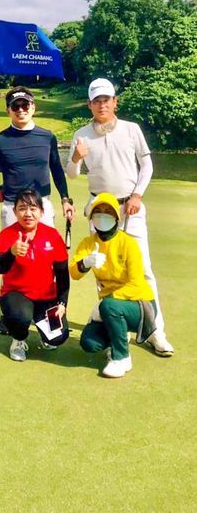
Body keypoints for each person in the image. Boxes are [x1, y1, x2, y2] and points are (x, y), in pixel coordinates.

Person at [66, 77, 173, 357]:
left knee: (144, 271)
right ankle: (113, 328)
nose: (102, 105)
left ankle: (155, 330)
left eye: (106, 100)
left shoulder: (131, 129)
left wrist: (138, 194)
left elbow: (146, 164)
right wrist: (76, 157)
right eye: (96, 101)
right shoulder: (82, 134)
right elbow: (72, 173)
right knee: (103, 271)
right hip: (100, 211)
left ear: (115, 102)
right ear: (89, 104)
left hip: (130, 207)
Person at [0, 85, 74, 334]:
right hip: (13, 208)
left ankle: (52, 307)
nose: (21, 110)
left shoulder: (47, 136)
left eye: (25, 105)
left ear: (33, 107)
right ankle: (8, 313)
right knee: (10, 258)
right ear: (9, 110)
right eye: (15, 106)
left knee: (48, 258)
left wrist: (65, 198)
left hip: (43, 206)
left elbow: (56, 170)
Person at [70, 193, 158, 378]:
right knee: (89, 342)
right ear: (91, 217)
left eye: (108, 211)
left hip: (141, 305)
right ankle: (118, 337)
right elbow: (74, 273)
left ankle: (122, 358)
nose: (103, 215)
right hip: (112, 308)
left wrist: (103, 305)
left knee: (109, 306)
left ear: (117, 217)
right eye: (98, 212)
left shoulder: (128, 243)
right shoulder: (88, 243)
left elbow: (135, 283)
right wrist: (85, 263)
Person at [0, 188, 70, 362]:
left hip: (46, 296)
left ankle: (45, 333)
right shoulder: (7, 235)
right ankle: (18, 340)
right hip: (16, 294)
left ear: (41, 212)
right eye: (22, 208)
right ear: (15, 212)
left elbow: (63, 274)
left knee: (58, 336)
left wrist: (62, 302)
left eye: (33, 208)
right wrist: (11, 252)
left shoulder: (52, 235)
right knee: (20, 318)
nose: (28, 213)